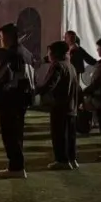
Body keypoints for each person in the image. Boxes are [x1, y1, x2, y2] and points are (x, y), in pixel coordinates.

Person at [0, 23, 35, 179]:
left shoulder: (11, 54)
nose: (0, 40)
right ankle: (17, 166)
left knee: (10, 135)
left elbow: (0, 78)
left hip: (10, 100)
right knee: (17, 133)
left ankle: (16, 167)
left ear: (7, 37)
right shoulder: (27, 53)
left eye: (1, 37)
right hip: (23, 99)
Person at [35, 41, 80, 170]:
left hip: (60, 105)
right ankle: (72, 159)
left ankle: (62, 160)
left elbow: (50, 84)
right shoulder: (70, 65)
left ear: (54, 53)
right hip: (71, 106)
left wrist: (35, 90)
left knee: (59, 134)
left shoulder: (57, 65)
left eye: (49, 52)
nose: (48, 55)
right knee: (70, 135)